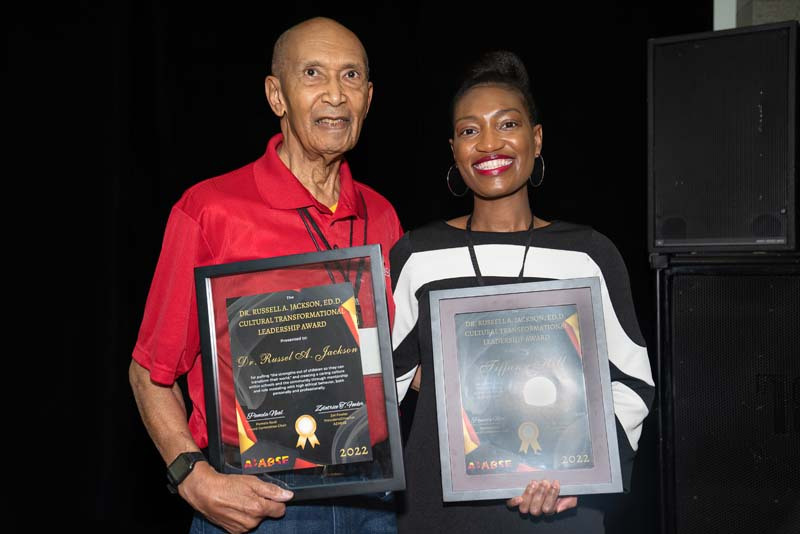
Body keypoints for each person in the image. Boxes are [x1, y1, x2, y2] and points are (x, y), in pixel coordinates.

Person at [129, 17, 403, 534]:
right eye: (313, 74)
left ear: (368, 98)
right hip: (259, 503)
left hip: (375, 496)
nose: (335, 94)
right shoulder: (210, 210)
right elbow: (149, 372)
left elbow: (398, 357)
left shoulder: (382, 214)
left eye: (350, 76)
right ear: (277, 95)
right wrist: (192, 476)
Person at [390, 51, 655, 532]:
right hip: (440, 513)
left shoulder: (588, 254)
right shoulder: (417, 254)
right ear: (454, 149)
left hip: (559, 509)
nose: (489, 143)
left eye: (507, 124)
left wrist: (583, 476)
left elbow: (633, 383)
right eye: (469, 130)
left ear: (536, 138)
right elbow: (383, 382)